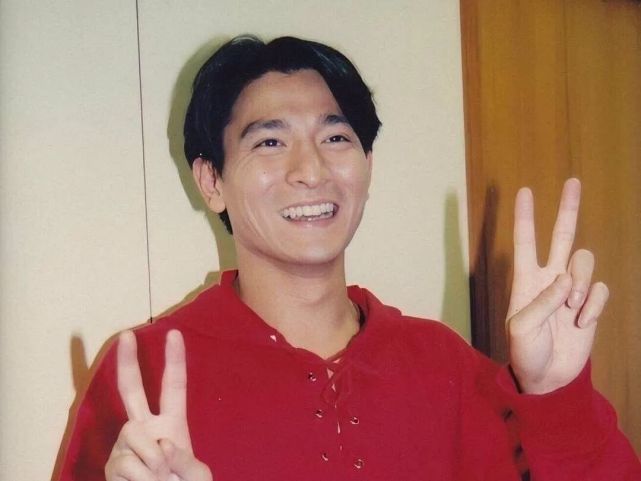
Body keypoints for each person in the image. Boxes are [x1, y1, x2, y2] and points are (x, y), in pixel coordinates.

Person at [58, 35, 641, 481]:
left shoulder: (447, 366)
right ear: (212, 181)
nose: (311, 170)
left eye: (336, 138)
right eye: (269, 141)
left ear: (367, 166)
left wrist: (557, 396)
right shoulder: (145, 374)